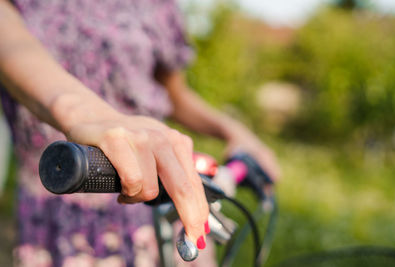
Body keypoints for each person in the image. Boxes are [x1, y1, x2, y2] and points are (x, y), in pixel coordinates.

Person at [0, 0, 280, 266]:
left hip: (153, 206)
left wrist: (234, 130)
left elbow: (175, 97)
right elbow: (13, 48)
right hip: (56, 208)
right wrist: (95, 117)